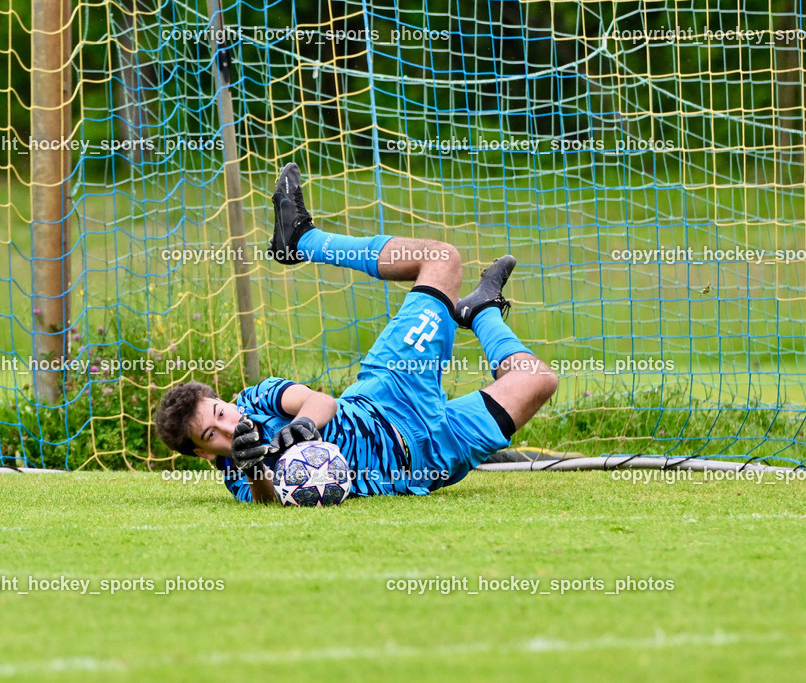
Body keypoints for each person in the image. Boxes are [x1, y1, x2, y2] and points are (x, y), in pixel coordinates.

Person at [154, 162, 557, 503]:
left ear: (223, 401)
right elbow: (269, 499)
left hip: (390, 392)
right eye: (212, 434)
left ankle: (302, 239)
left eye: (220, 413)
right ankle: (483, 311)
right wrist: (257, 465)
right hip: (433, 454)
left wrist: (302, 428)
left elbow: (321, 402)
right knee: (539, 381)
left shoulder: (255, 398)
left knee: (440, 257)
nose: (228, 426)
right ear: (204, 453)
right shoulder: (240, 475)